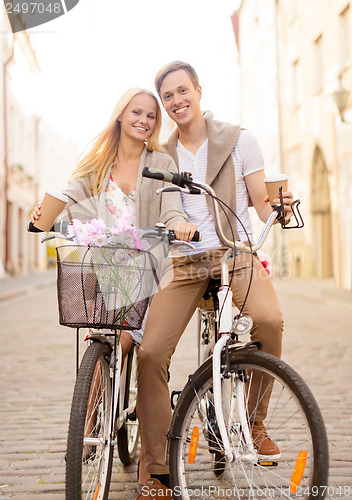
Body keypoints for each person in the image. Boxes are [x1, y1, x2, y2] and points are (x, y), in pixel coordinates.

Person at [136, 61, 294, 499]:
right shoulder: (161, 155)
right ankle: (156, 470)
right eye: (167, 96)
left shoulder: (239, 140)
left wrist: (277, 207)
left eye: (182, 91)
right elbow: (163, 206)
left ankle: (255, 420)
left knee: (269, 320)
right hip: (185, 263)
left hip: (235, 254)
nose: (176, 101)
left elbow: (261, 202)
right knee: (150, 353)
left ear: (199, 91)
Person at [30, 87, 197, 489]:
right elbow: (70, 193)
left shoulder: (161, 161)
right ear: (121, 115)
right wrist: (44, 213)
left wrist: (178, 224)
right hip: (106, 270)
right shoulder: (98, 163)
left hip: (150, 269)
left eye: (151, 116)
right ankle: (88, 423)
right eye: (136, 112)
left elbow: (173, 206)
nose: (144, 120)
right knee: (109, 341)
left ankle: (150, 470)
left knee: (144, 353)